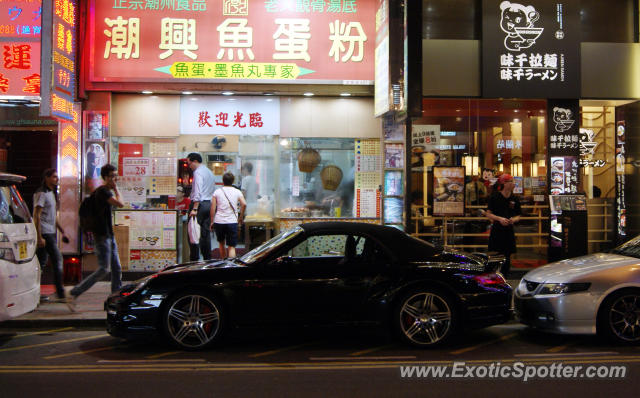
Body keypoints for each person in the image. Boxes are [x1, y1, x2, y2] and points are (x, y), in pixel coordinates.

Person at [67, 164, 124, 311]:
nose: (114, 178)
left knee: (117, 268)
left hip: (108, 235)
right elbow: (121, 204)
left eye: (115, 175)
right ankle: (74, 292)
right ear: (105, 177)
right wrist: (116, 188)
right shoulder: (103, 192)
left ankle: (115, 299)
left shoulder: (102, 191)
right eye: (112, 176)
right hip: (102, 236)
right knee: (104, 269)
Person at [33, 168, 69, 302]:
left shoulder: (51, 193)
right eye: (54, 177)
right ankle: (60, 293)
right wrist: (39, 236)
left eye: (57, 177)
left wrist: (61, 230)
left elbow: (53, 216)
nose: (56, 179)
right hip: (45, 233)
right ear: (46, 178)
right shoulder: (41, 193)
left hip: (50, 232)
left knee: (41, 263)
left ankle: (35, 292)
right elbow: (36, 215)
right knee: (57, 260)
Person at [485, 173, 521, 277]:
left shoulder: (515, 198)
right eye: (511, 182)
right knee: (496, 254)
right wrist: (499, 219)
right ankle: (495, 276)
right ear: (504, 183)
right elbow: (488, 213)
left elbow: (518, 215)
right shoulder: (494, 197)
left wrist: (512, 220)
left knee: (508, 255)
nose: (513, 184)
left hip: (509, 230)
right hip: (497, 229)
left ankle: (505, 276)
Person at [210, 172, 246, 259]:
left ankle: (223, 263)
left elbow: (213, 208)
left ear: (223, 181)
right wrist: (240, 217)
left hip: (219, 221)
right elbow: (244, 204)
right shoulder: (237, 191)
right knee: (231, 246)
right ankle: (231, 267)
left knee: (221, 243)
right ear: (232, 181)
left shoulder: (217, 192)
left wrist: (212, 221)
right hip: (232, 221)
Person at [187, 153, 215, 261]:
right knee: (205, 234)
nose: (189, 166)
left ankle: (194, 260)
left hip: (199, 205)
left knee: (193, 232)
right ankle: (207, 259)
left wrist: (195, 208)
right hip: (208, 204)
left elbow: (198, 191)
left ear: (195, 161)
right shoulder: (209, 172)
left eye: (189, 164)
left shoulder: (198, 172)